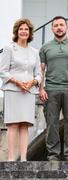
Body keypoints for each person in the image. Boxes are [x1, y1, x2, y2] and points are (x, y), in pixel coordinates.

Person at [39, 16, 68, 161]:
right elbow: (41, 70)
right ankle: (53, 155)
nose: (59, 27)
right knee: (51, 124)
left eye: (61, 25)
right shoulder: (45, 48)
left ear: (66, 27)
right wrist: (41, 89)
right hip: (50, 90)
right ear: (52, 28)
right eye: (56, 25)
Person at [0, 18, 41, 161]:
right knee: (13, 124)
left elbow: (39, 74)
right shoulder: (9, 48)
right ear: (16, 32)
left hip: (28, 92)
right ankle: (11, 159)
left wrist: (33, 82)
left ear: (30, 32)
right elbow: (2, 71)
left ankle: (23, 159)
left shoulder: (35, 52)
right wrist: (17, 81)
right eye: (21, 29)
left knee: (25, 124)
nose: (24, 31)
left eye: (26, 29)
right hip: (13, 90)